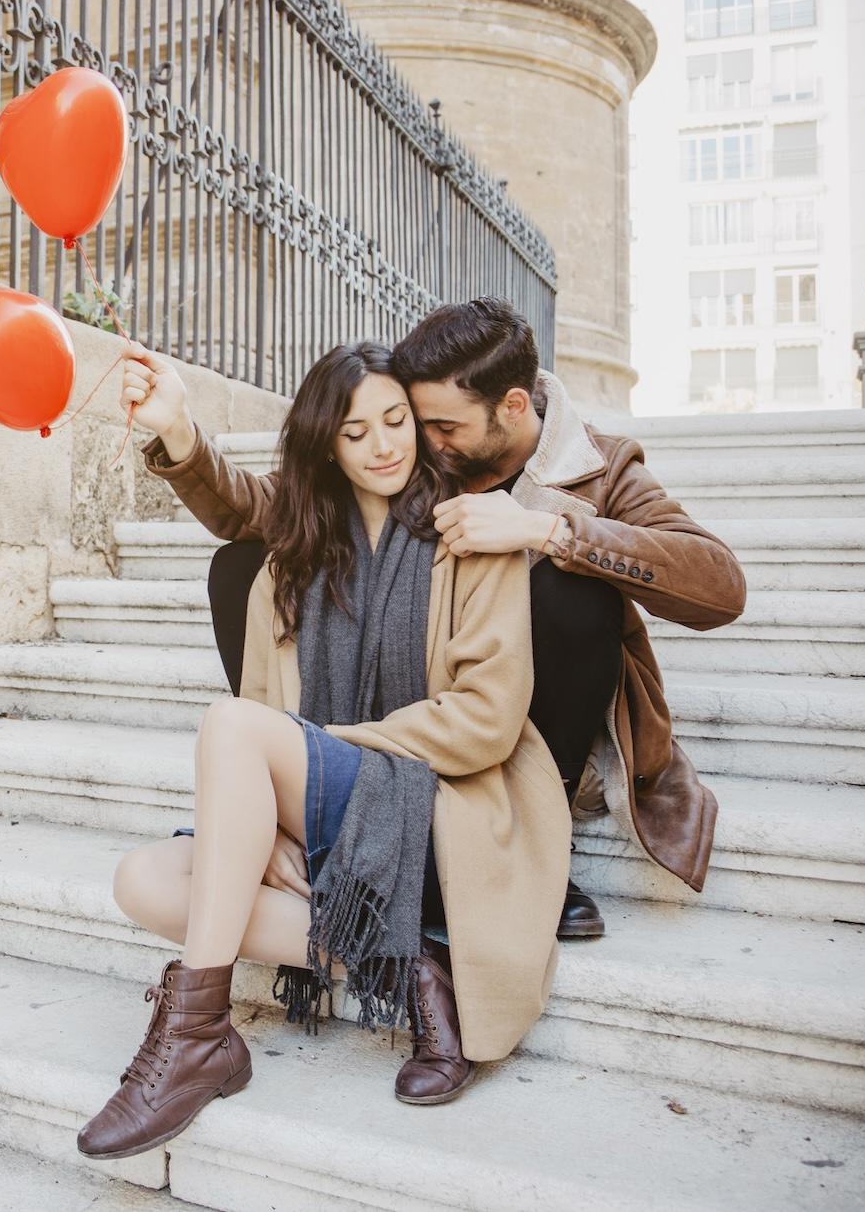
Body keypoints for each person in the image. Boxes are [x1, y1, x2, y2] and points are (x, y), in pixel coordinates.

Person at [76, 342, 568, 1161]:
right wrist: (273, 817)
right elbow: (266, 729)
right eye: (355, 431)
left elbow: (486, 719)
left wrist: (312, 753)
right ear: (325, 448)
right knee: (143, 880)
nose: (383, 445)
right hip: (338, 825)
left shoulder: (472, 532)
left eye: (396, 420)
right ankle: (410, 962)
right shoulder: (290, 564)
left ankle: (197, 1031)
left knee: (233, 728)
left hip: (445, 815)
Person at [161, 300, 744, 939]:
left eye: (440, 425)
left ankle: (531, 842)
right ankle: (293, 776)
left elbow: (719, 583)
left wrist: (546, 531)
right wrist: (182, 437)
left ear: (513, 407)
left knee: (572, 595)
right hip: (414, 699)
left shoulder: (598, 468)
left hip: (512, 723)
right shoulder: (420, 456)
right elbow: (261, 507)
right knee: (242, 564)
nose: (420, 441)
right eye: (414, 418)